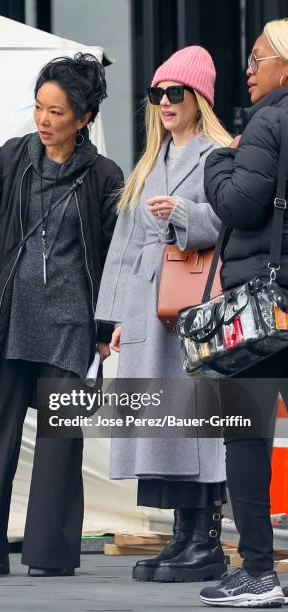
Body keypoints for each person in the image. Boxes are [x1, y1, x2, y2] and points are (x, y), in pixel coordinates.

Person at [0, 53, 123, 578]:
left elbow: (116, 257)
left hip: (71, 327)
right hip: (8, 322)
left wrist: (105, 328)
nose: (44, 119)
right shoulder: (12, 158)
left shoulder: (104, 176)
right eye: (39, 107)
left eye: (57, 112)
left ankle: (50, 556)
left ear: (83, 119)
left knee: (59, 450)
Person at [95, 46, 232, 583]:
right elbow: (124, 246)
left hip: (196, 304)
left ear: (199, 99)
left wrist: (185, 214)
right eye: (158, 94)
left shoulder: (219, 152)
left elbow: (232, 220)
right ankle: (182, 534)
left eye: (176, 93)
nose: (165, 103)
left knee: (197, 423)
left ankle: (205, 537)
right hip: (147, 308)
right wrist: (110, 321)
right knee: (161, 422)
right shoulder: (150, 161)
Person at [200, 18, 288, 608]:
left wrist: (217, 162)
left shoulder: (267, 122)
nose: (248, 70)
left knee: (246, 435)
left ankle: (258, 571)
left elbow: (239, 202)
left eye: (258, 58)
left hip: (264, 303)